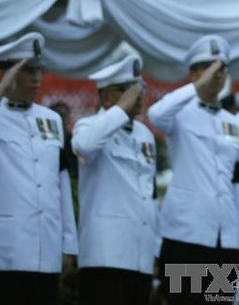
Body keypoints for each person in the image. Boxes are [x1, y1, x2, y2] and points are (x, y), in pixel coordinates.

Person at [0, 32, 78, 305]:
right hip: (4, 252)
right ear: (3, 73)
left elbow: (61, 182)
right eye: (28, 70)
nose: (37, 78)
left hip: (47, 250)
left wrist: (68, 245)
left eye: (39, 70)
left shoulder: (52, 119)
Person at [148, 35, 239, 305]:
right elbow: (156, 114)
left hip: (225, 235)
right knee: (184, 300)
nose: (217, 74)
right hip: (185, 234)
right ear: (193, 73)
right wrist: (196, 87)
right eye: (208, 67)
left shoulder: (234, 123)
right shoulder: (180, 114)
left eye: (221, 68)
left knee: (221, 301)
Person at [71, 54, 157, 305]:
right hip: (104, 254)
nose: (138, 95)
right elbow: (84, 146)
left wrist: (155, 247)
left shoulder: (144, 135)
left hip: (139, 254)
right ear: (107, 96)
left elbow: (148, 193)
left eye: (140, 88)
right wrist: (120, 110)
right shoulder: (89, 126)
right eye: (127, 89)